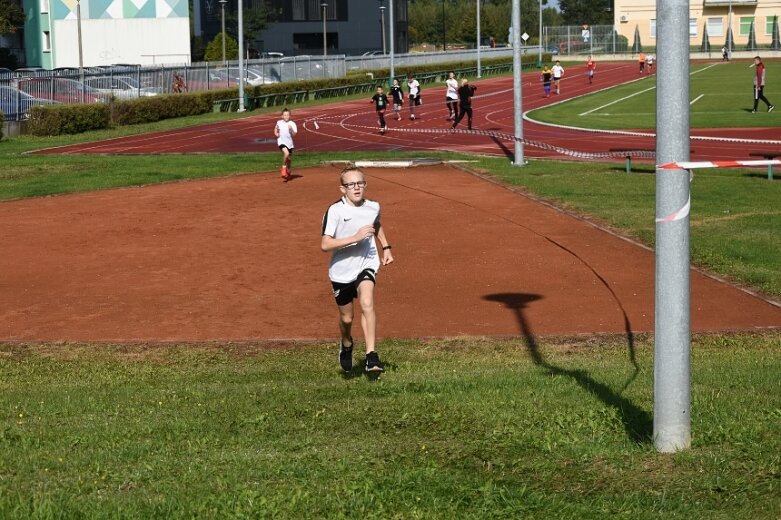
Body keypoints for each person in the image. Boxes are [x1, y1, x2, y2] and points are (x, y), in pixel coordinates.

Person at [321, 165, 394, 373]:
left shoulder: (373, 206)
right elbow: (325, 244)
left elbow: (376, 224)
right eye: (351, 184)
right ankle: (346, 344)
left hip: (367, 262)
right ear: (342, 189)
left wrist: (386, 246)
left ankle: (372, 356)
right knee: (347, 318)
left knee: (367, 302)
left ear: (365, 185)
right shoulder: (335, 211)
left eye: (360, 183)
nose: (356, 188)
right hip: (341, 271)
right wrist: (354, 238)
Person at [273, 107, 297, 181]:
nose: (286, 116)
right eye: (285, 115)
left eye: (287, 115)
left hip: (289, 144)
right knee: (286, 154)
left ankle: (288, 171)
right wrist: (276, 134)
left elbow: (294, 134)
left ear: (290, 116)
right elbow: (275, 129)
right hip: (281, 141)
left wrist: (291, 129)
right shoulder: (279, 122)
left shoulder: (292, 124)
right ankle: (283, 168)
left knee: (289, 159)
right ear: (282, 116)